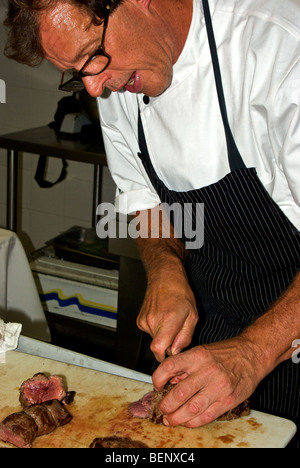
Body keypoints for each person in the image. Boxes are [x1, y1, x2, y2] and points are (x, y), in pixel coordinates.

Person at [4, 0, 300, 446]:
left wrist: (253, 352)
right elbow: (144, 199)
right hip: (216, 327)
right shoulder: (119, 79)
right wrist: (165, 268)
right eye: (76, 73)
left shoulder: (279, 50)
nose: (95, 87)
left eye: (91, 57)